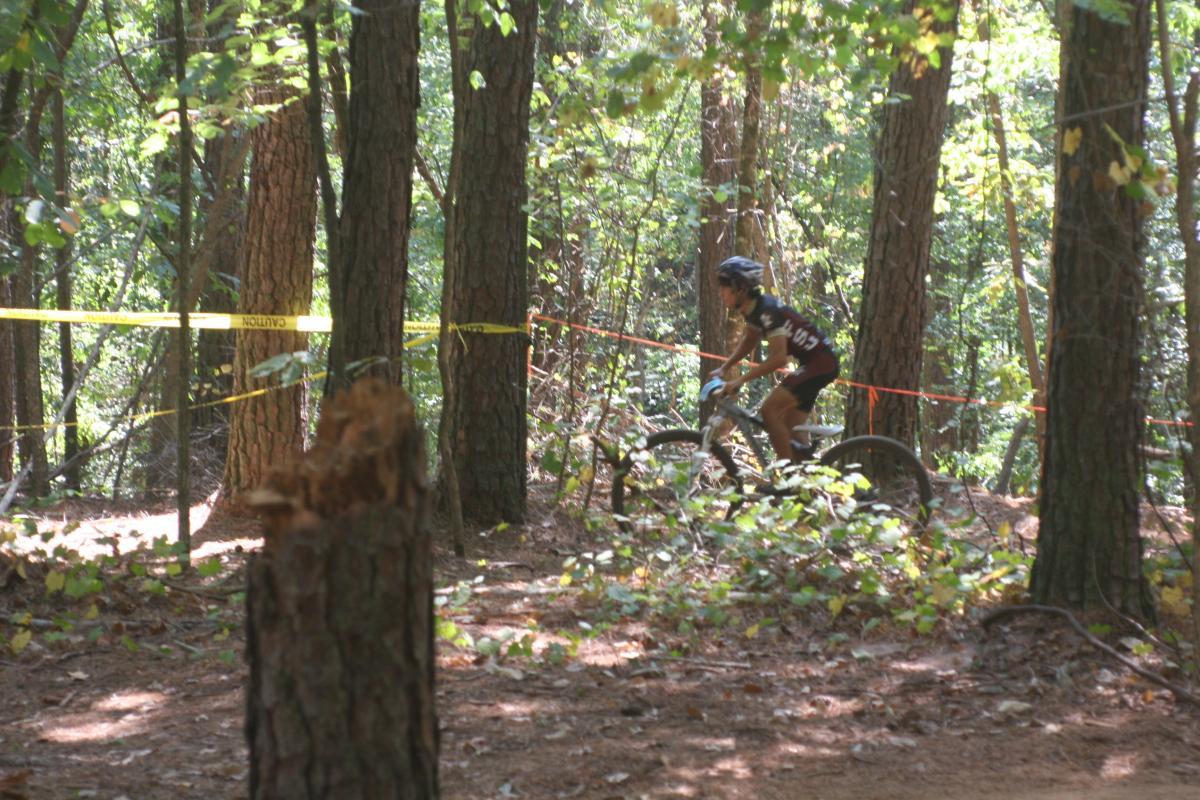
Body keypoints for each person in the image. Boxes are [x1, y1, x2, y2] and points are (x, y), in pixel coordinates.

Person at [709, 255, 839, 465]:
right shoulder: (753, 309)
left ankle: (786, 480)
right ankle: (806, 482)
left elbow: (779, 359)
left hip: (820, 364)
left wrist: (739, 380)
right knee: (791, 428)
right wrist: (725, 367)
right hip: (815, 363)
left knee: (768, 410)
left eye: (724, 286)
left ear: (740, 287)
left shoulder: (767, 310)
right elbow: (750, 340)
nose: (720, 292)